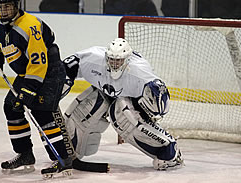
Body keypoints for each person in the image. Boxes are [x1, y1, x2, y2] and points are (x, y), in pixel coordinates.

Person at [62, 38, 184, 170]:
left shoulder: (139, 72)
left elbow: (159, 97)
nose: (114, 63)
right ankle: (70, 151)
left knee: (122, 114)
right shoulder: (93, 58)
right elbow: (68, 65)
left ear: (127, 59)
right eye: (112, 59)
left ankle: (169, 150)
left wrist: (148, 111)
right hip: (103, 93)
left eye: (119, 60)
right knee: (87, 105)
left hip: (129, 99)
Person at [0, 0, 72, 178]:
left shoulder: (29, 26)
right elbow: (2, 39)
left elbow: (39, 62)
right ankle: (25, 154)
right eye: (1, 6)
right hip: (28, 72)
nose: (4, 10)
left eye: (8, 6)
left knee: (42, 113)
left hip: (49, 71)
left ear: (17, 6)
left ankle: (62, 159)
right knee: (11, 107)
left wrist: (27, 91)